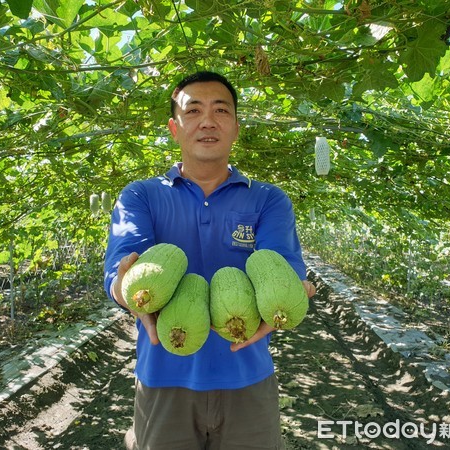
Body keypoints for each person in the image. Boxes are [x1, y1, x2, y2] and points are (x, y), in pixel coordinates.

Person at [103, 71, 316, 450]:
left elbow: (282, 265)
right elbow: (120, 269)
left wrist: (290, 293)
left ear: (236, 127)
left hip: (247, 378)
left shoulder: (269, 200)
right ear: (174, 126)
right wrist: (125, 289)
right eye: (193, 110)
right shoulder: (140, 196)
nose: (208, 121)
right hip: (163, 376)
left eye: (221, 110)